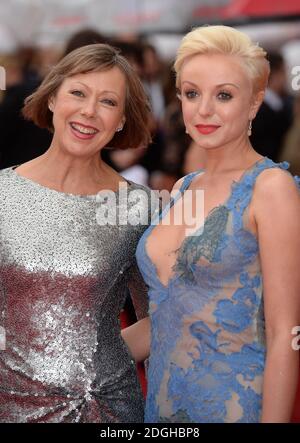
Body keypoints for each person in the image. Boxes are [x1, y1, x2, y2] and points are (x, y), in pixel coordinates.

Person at [124, 25, 300, 423]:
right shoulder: (184, 188)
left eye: (224, 95)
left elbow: (286, 333)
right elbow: (172, 315)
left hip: (235, 408)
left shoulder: (271, 188)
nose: (203, 109)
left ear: (254, 102)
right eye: (191, 93)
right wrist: (67, 358)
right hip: (161, 410)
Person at [0, 43, 156, 423]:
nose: (89, 111)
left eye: (107, 102)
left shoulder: (139, 207)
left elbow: (163, 317)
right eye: (78, 93)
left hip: (102, 409)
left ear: (121, 120)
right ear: (53, 97)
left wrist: (94, 362)